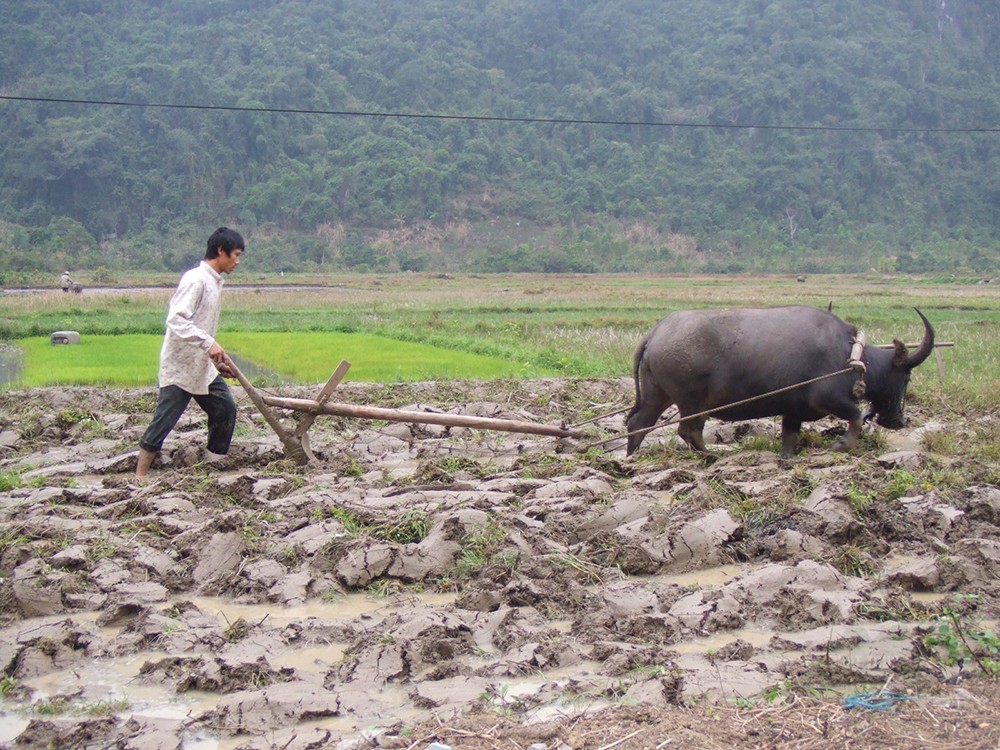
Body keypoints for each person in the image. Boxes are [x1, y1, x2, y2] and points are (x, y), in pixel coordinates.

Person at [135, 227, 245, 479]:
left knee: (224, 409)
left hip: (202, 366)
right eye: (235, 255)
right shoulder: (195, 279)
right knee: (165, 418)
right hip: (181, 364)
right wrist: (209, 343)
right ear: (220, 251)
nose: (237, 262)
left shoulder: (214, 282)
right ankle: (140, 475)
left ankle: (213, 462)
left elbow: (202, 325)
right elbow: (176, 319)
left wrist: (216, 361)